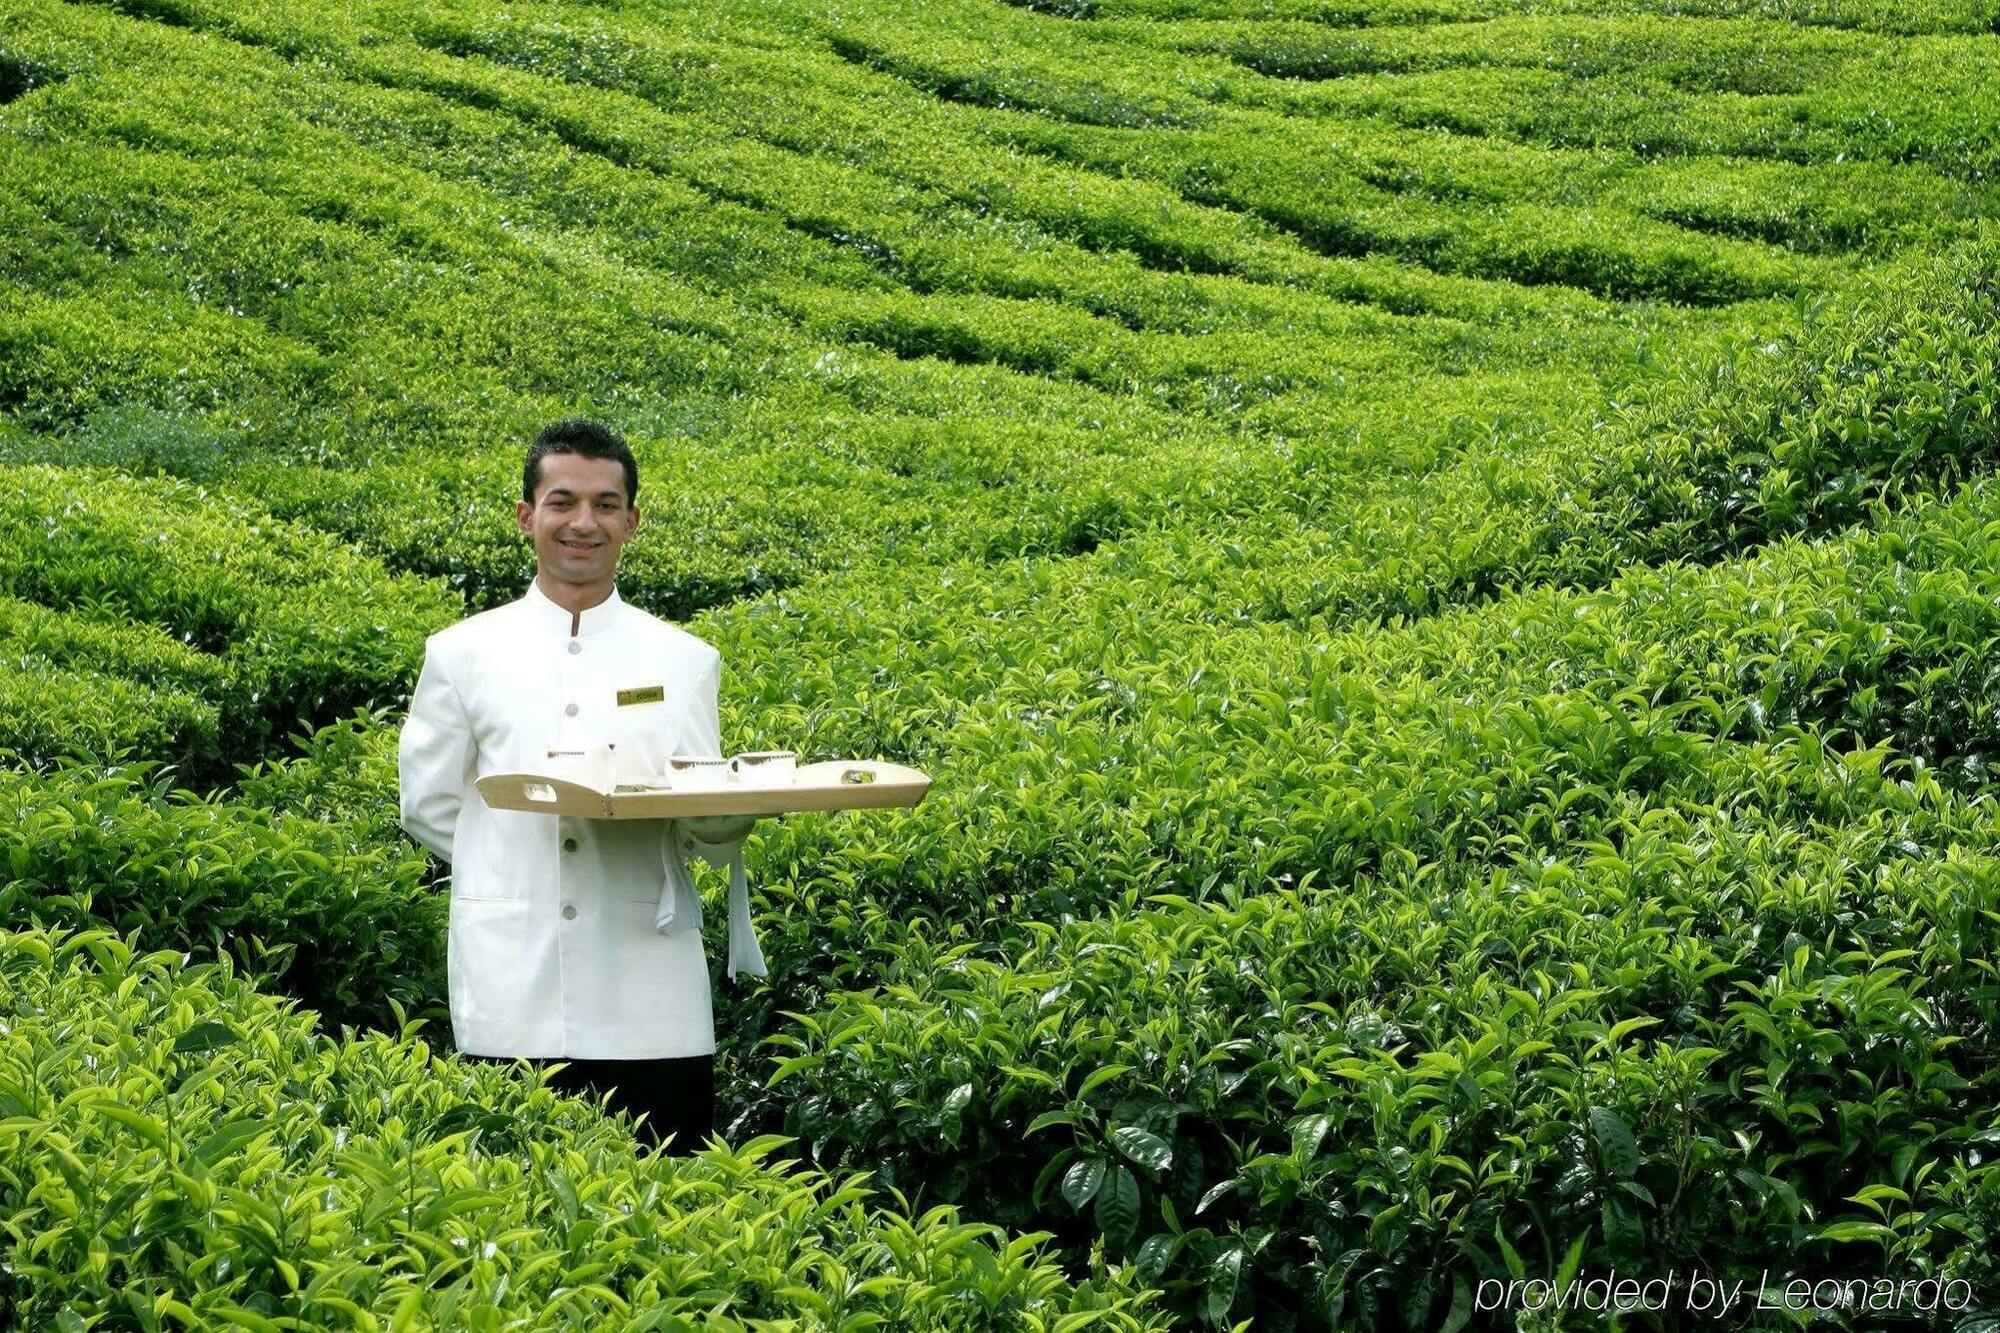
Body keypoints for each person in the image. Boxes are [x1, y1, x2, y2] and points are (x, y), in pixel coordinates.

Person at [397, 418, 764, 1155]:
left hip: (648, 984)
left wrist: (729, 819)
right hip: (512, 979)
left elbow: (697, 810)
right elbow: (430, 803)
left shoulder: (685, 658)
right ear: (527, 516)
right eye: (562, 501)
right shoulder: (463, 653)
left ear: (632, 519)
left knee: (666, 1198)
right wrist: (513, 865)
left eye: (606, 503)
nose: (583, 522)